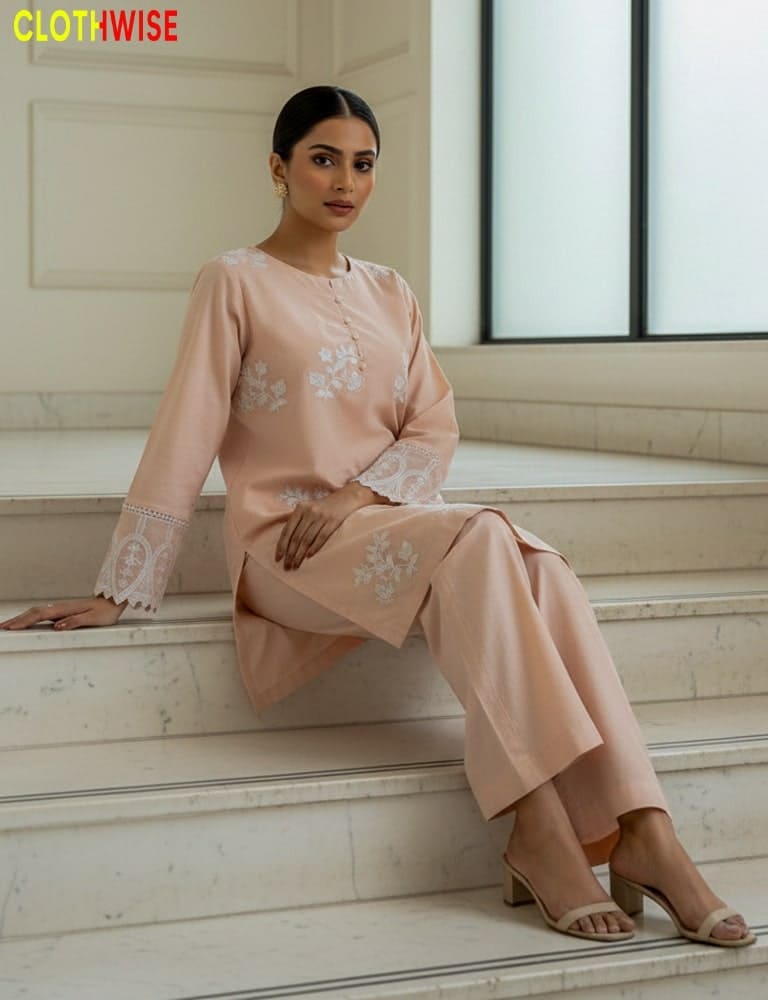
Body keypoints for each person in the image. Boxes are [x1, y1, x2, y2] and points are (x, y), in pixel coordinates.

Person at [1, 85, 753, 947]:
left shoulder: (392, 291)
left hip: (383, 526)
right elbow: (187, 428)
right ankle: (546, 826)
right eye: (323, 158)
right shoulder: (233, 281)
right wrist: (123, 587)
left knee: (533, 560)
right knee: (485, 541)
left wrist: (360, 495)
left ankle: (642, 829)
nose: (345, 180)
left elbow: (433, 423)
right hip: (285, 547)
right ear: (279, 169)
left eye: (363, 163)